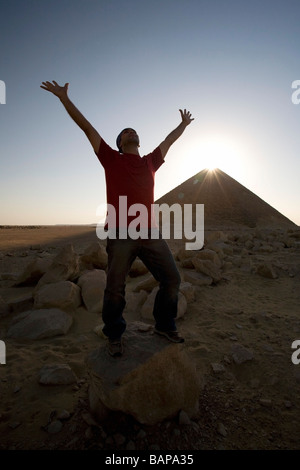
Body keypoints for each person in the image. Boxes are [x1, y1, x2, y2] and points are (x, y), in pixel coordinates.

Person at [40, 80, 194, 357]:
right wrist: (64, 98)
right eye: (125, 132)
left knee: (171, 278)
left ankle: (164, 324)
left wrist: (183, 125)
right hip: (121, 233)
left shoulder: (150, 161)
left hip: (150, 233)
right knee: (114, 289)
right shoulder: (110, 159)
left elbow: (168, 141)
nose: (130, 132)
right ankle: (114, 335)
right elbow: (87, 127)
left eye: (133, 130)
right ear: (120, 143)